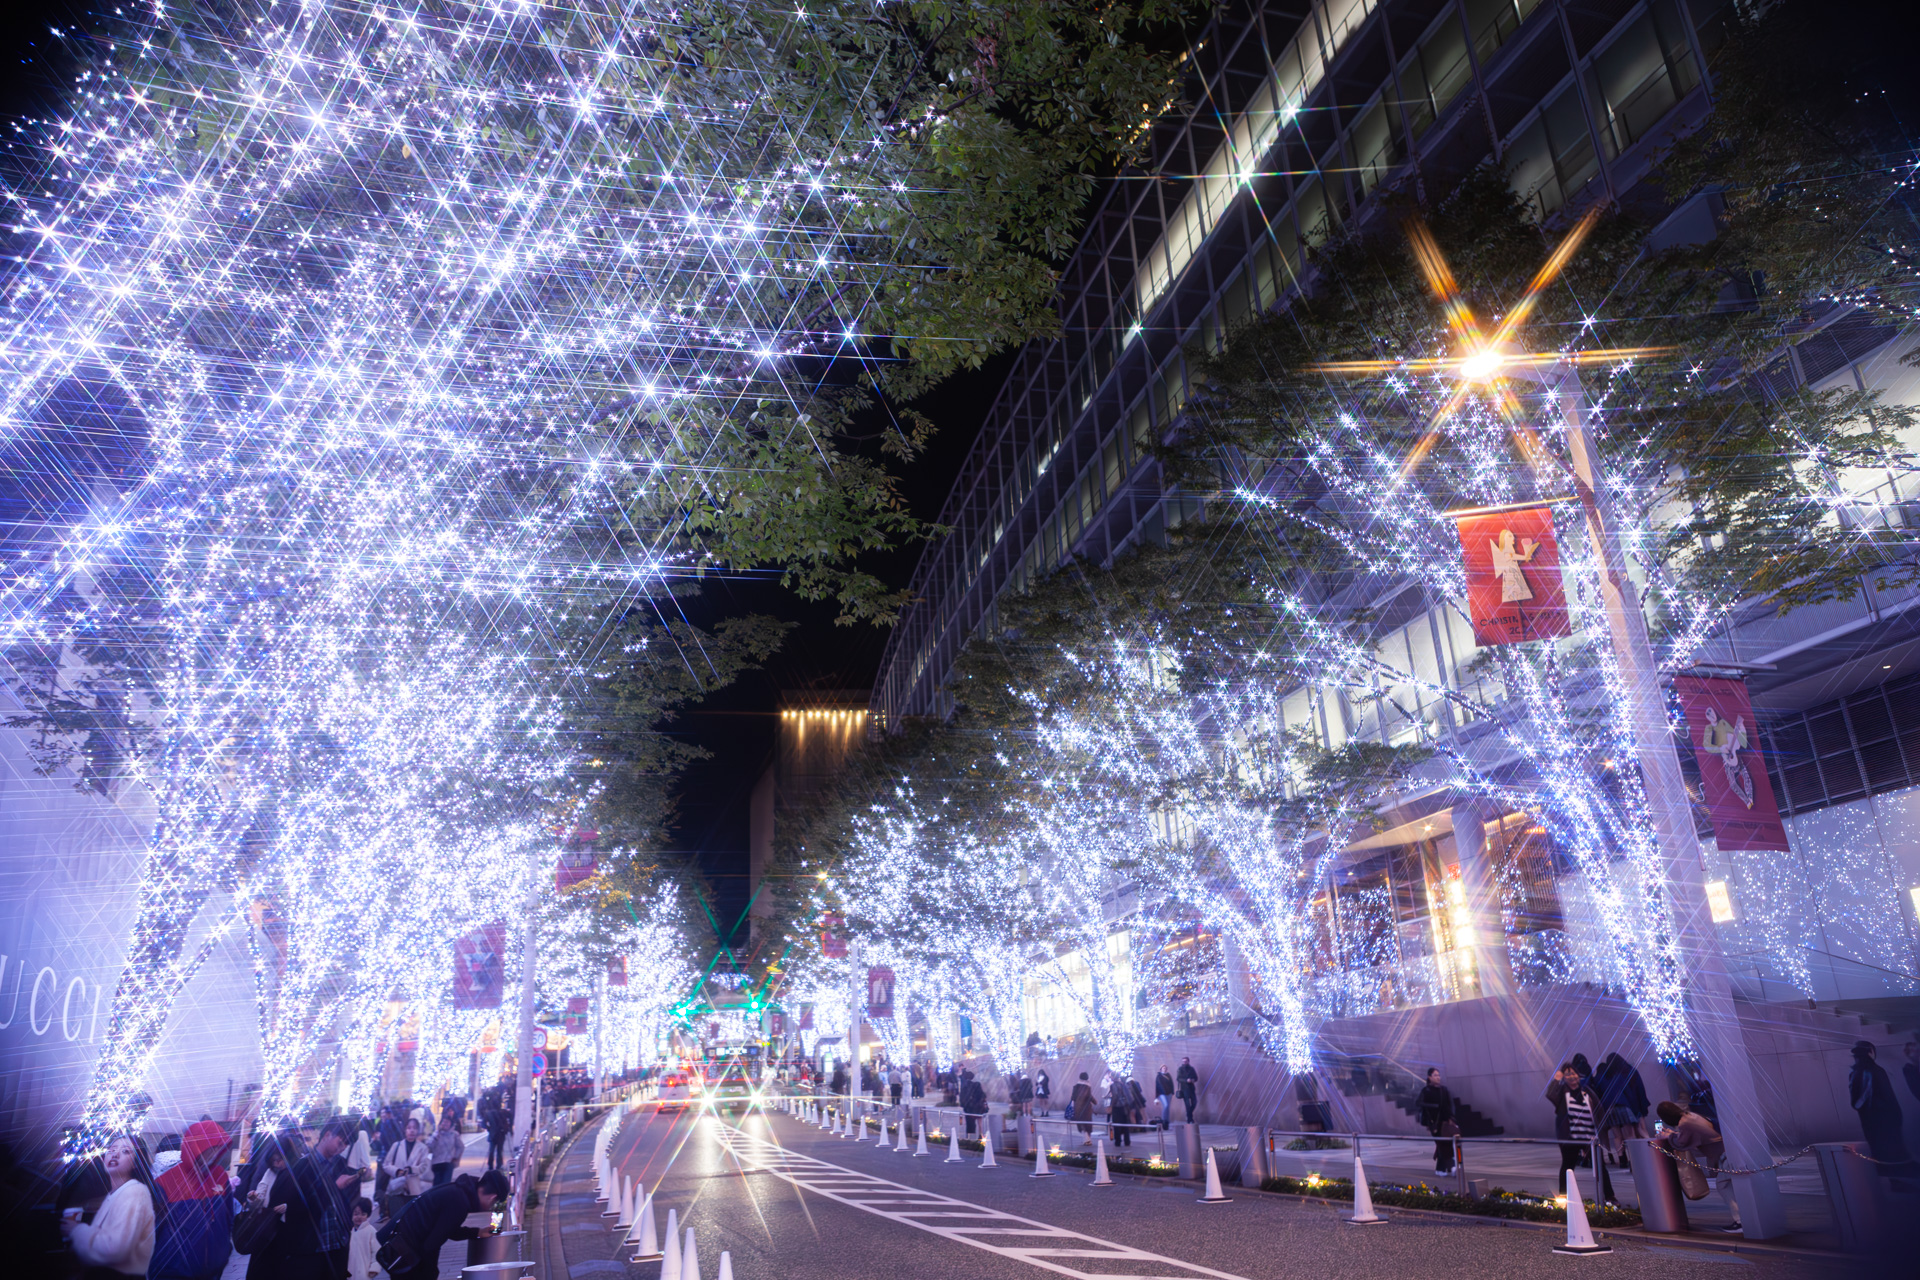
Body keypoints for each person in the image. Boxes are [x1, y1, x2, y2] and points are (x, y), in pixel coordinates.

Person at [376, 1170, 508, 1280]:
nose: (491, 1207)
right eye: (494, 1203)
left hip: (401, 1245)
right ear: (492, 1197)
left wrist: (477, 1232)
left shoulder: (459, 1192)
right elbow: (432, 1244)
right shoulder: (459, 1202)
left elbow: (447, 1229)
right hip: (406, 1252)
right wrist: (431, 1274)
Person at [63, 1133, 163, 1279]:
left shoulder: (136, 1193)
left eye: (125, 1151)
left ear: (137, 1162)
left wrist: (76, 1231)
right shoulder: (106, 1189)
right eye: (112, 1149)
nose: (115, 1154)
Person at [151, 1119, 235, 1280]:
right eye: (210, 1148)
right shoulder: (166, 1181)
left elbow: (228, 1217)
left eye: (219, 1148)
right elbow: (153, 1230)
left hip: (214, 1270)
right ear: (196, 1148)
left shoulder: (220, 1176)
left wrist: (224, 1249)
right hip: (174, 1272)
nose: (215, 1154)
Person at [279, 1118, 357, 1280]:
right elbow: (297, 1208)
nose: (341, 1149)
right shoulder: (302, 1166)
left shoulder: (341, 1165)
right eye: (340, 1143)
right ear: (327, 1135)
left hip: (338, 1246)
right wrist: (335, 1187)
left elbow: (347, 1202)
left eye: (345, 1146)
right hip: (310, 1251)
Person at [1656, 1100, 1744, 1233]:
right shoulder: (1689, 1116)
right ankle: (1743, 1219)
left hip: (1727, 1155)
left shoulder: (1685, 1124)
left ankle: (1741, 1222)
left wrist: (1668, 1136)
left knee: (1723, 1185)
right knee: (1732, 1186)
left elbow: (1681, 1143)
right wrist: (1671, 1135)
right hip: (1729, 1152)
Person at [1546, 1063, 1613, 1203]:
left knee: (1600, 1166)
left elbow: (1599, 1110)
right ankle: (1563, 1197)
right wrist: (1556, 1079)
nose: (1572, 1077)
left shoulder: (1586, 1091)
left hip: (1589, 1137)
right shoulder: (1562, 1093)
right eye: (1568, 1074)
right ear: (1564, 1078)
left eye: (1574, 1073)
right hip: (1570, 1138)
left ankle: (1610, 1196)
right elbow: (1550, 1094)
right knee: (1568, 1166)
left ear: (1578, 1075)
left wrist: (1602, 1131)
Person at [1849, 1040, 1917, 1177]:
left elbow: (1856, 1102)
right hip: (1885, 1118)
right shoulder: (1873, 1070)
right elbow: (1885, 1096)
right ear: (1870, 1052)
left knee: (1882, 1149)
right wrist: (1893, 1115)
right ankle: (1898, 1176)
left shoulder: (1856, 1072)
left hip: (1871, 1121)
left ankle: (1893, 1177)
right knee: (1892, 1148)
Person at [1592, 1052, 1650, 1165]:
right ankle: (1635, 1161)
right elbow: (1629, 1094)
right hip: (1624, 1107)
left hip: (1609, 1110)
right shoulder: (1621, 1075)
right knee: (1630, 1135)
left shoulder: (1603, 1077)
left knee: (1617, 1136)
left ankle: (1622, 1159)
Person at [382, 1119, 431, 1220]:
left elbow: (423, 1167)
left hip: (413, 1189)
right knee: (396, 1218)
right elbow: (386, 1164)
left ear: (418, 1130)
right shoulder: (396, 1146)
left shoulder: (423, 1148)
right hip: (397, 1187)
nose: (412, 1131)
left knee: (412, 1218)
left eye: (414, 1128)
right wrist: (397, 1171)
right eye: (409, 1128)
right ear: (405, 1130)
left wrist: (411, 1169)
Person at [1417, 1067, 1457, 1175]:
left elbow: (1450, 1104)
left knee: (1444, 1144)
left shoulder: (1443, 1090)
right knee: (1442, 1144)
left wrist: (1451, 1118)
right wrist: (1434, 1107)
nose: (1438, 1077)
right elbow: (1419, 1104)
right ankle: (1451, 1166)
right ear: (1429, 1077)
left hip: (1445, 1122)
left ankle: (1441, 1169)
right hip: (1434, 1123)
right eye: (1435, 1075)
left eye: (1438, 1075)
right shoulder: (1426, 1091)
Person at [347, 1196, 387, 1280]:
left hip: (364, 1273)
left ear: (368, 1215)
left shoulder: (371, 1231)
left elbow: (377, 1252)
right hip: (350, 1272)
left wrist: (374, 1268)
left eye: (363, 1214)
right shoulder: (350, 1231)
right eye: (356, 1214)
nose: (359, 1217)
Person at [428, 1113, 462, 1188]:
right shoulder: (436, 1134)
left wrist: (455, 1157)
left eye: (447, 1122)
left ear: (451, 1124)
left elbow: (460, 1147)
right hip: (436, 1163)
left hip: (448, 1163)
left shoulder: (454, 1134)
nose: (445, 1123)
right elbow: (429, 1147)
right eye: (443, 1121)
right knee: (436, 1185)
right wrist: (436, 1137)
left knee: (445, 1185)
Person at [483, 1104, 512, 1173]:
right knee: (499, 1150)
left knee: (491, 1150)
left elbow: (483, 1123)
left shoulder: (489, 1113)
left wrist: (489, 1129)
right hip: (501, 1134)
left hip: (493, 1134)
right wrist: (507, 1128)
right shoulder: (503, 1112)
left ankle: (490, 1166)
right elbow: (510, 1116)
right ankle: (499, 1165)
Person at [1070, 1072, 1096, 1145]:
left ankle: (1086, 1139)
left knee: (1081, 1124)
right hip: (1086, 1108)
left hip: (1078, 1108)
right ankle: (1088, 1139)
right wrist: (1095, 1102)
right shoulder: (1088, 1086)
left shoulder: (1076, 1086)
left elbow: (1073, 1097)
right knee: (1087, 1124)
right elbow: (1089, 1097)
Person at [1106, 1078, 1133, 1147]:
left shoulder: (1113, 1085)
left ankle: (1118, 1141)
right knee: (1125, 1125)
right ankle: (1127, 1141)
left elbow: (1115, 1096)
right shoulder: (1123, 1085)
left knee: (1117, 1125)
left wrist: (1111, 1105)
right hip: (1124, 1107)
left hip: (1117, 1107)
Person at [1176, 1057, 1199, 1123]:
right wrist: (1186, 1081)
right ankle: (1190, 1119)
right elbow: (1178, 1079)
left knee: (1194, 1103)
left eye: (1185, 1061)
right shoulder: (1180, 1069)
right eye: (1183, 1061)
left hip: (1191, 1088)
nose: (1184, 1062)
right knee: (1187, 1104)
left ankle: (1188, 1115)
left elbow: (1196, 1078)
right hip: (1184, 1089)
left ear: (1188, 1061)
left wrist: (1192, 1080)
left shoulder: (1192, 1069)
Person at [1154, 1066, 1175, 1130]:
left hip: (1169, 1093)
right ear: (1160, 1069)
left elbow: (1171, 1084)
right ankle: (1163, 1120)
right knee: (1165, 1105)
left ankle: (1167, 1122)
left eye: (1165, 1068)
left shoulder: (1168, 1075)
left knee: (1168, 1107)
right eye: (1163, 1068)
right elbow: (1157, 1086)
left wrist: (1172, 1092)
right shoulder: (1158, 1076)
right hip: (1162, 1094)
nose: (1164, 1069)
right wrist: (1156, 1097)